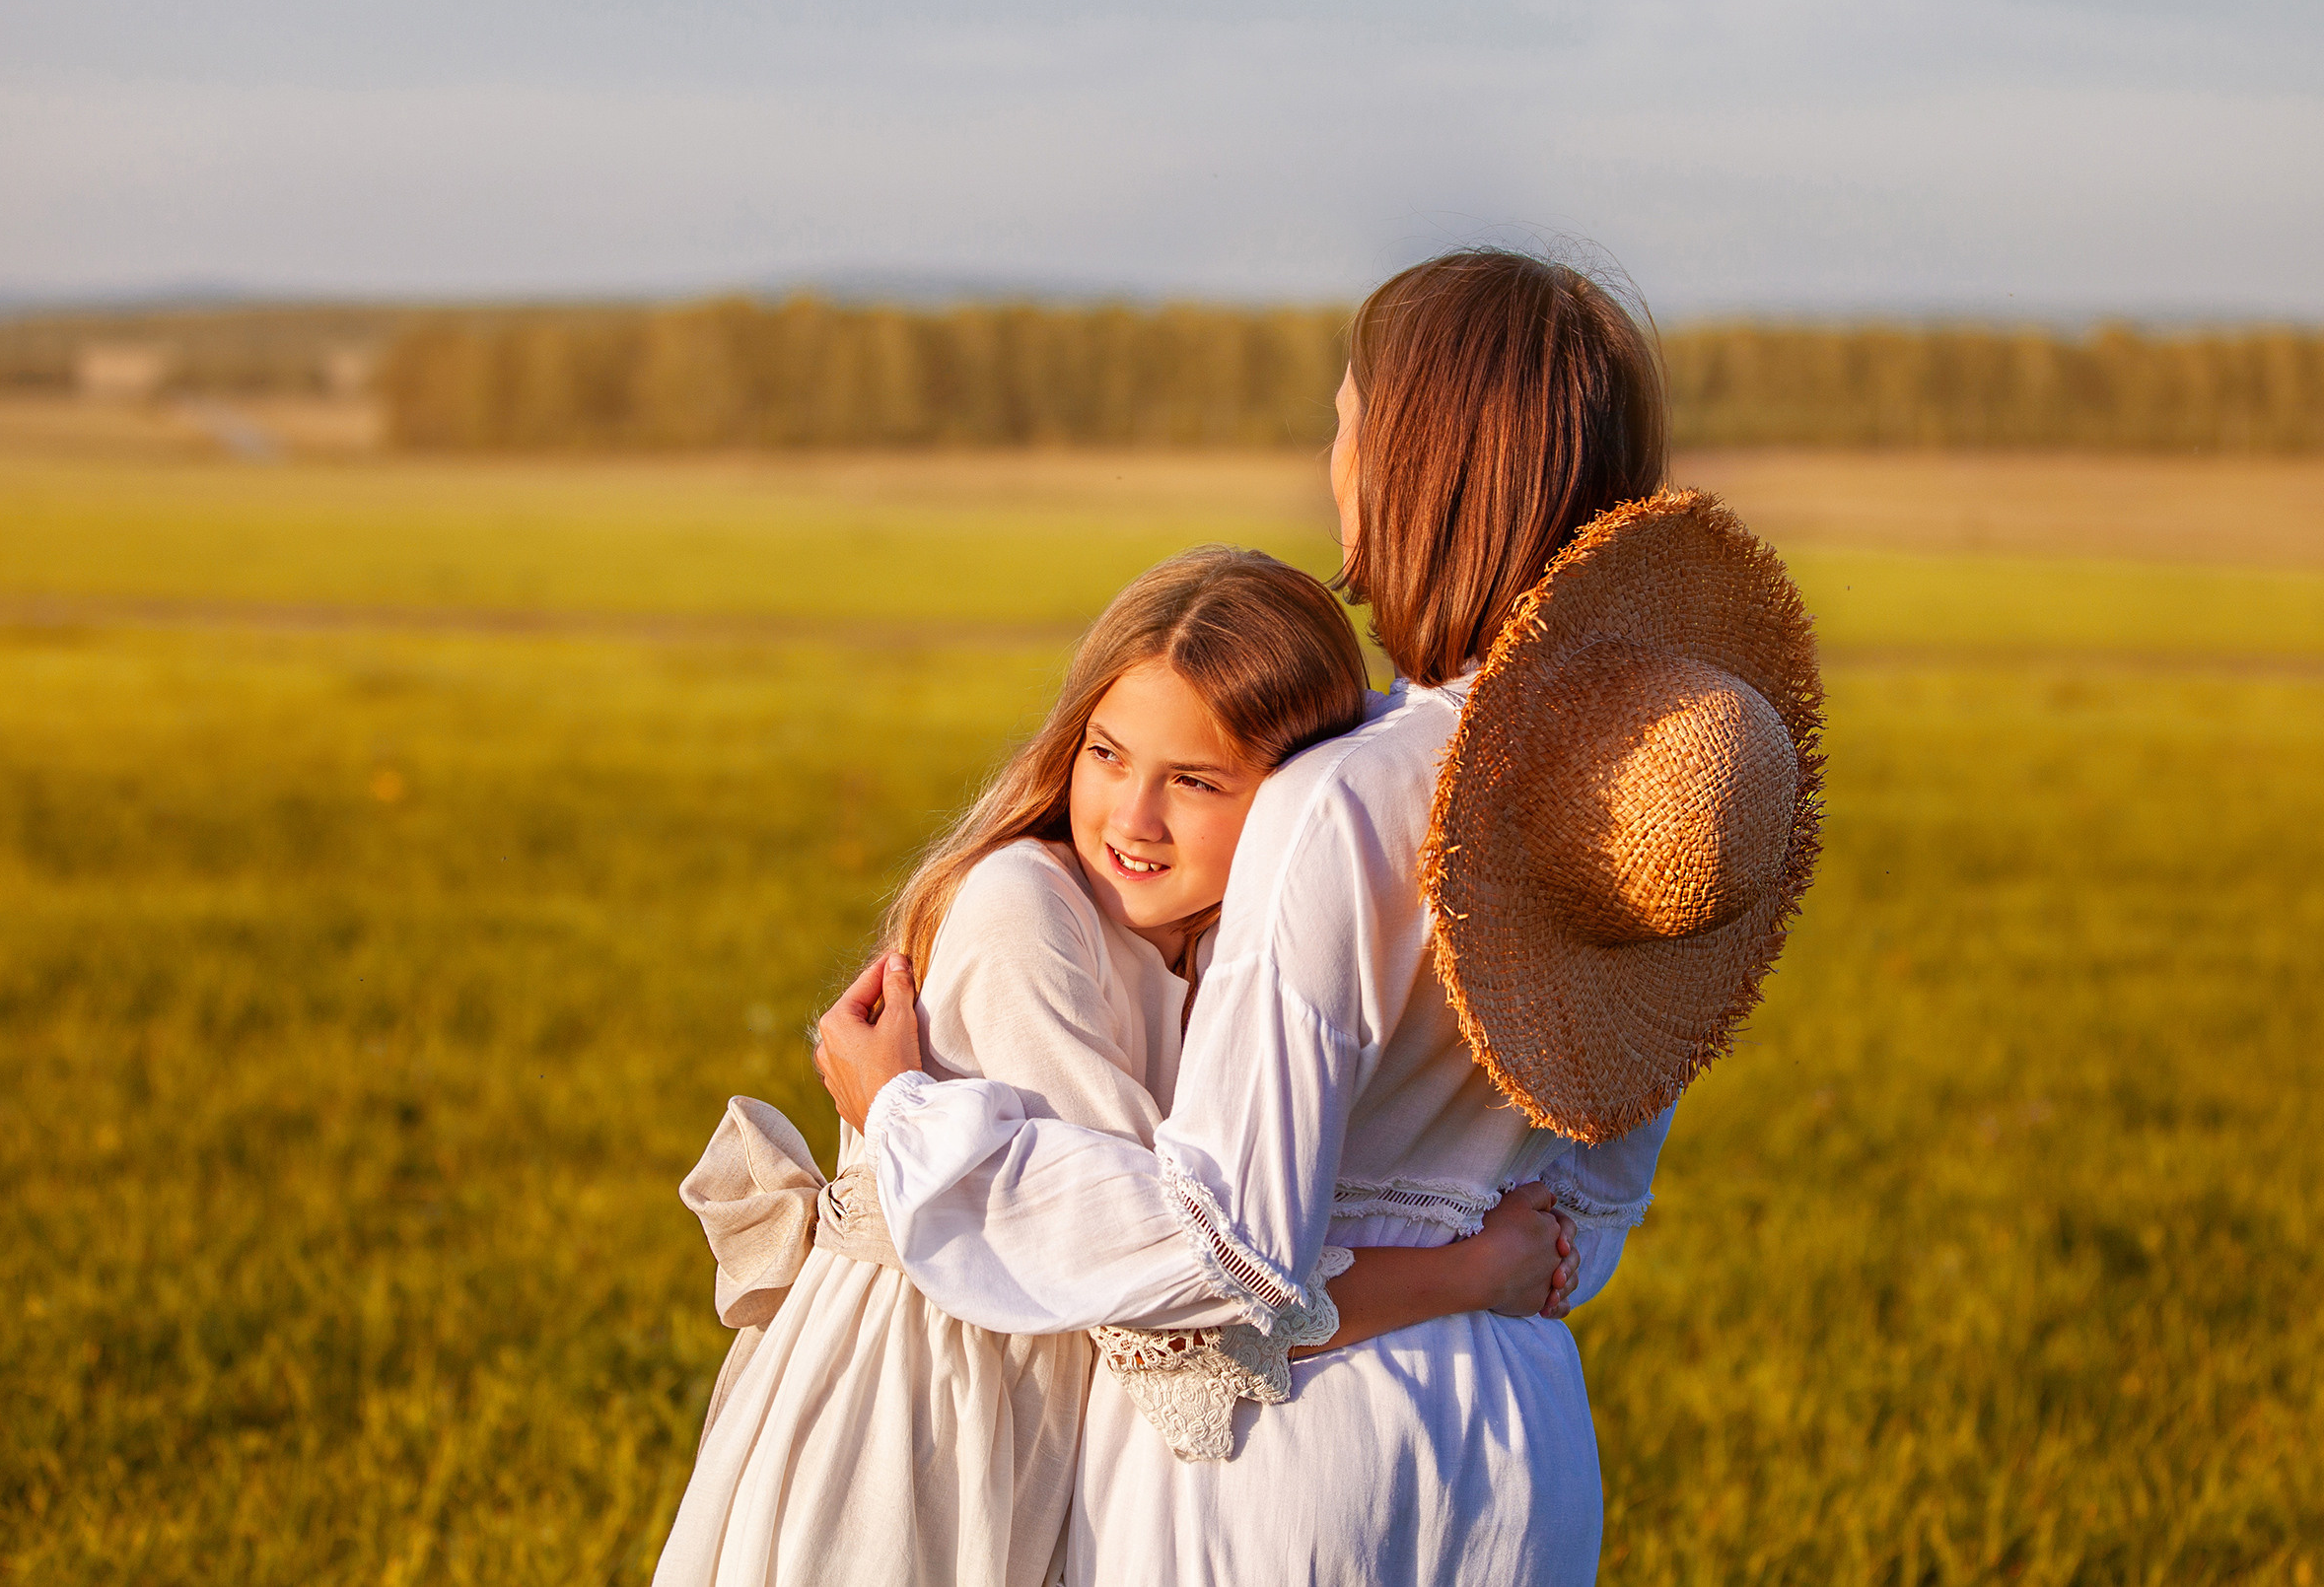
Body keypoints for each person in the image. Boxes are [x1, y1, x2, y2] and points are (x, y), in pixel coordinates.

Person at [817, 248, 1823, 1585]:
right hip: (1523, 1438)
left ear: (1415, 467)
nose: (1332, 458)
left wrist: (907, 1119)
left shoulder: (1343, 794)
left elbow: (1220, 1251)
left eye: (1347, 420)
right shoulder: (1652, 808)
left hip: (1295, 1455)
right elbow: (1583, 1225)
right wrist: (1474, 1267)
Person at [660, 545, 1590, 1587]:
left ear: (1286, 805)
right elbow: (1169, 1288)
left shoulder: (1200, 949)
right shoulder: (1028, 911)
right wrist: (1468, 1274)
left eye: (1193, 781)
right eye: (1106, 755)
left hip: (1028, 1409)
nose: (1131, 820)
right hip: (926, 1423)